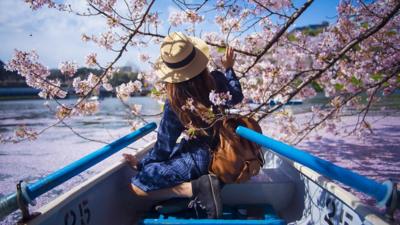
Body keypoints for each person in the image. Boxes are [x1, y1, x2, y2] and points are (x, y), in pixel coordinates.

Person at [123, 32, 243, 219]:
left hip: (199, 161)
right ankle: (197, 197)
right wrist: (229, 69)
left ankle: (196, 189)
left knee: (137, 185)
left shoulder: (176, 102)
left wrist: (141, 165)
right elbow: (236, 96)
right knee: (168, 160)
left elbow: (163, 147)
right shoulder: (218, 79)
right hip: (226, 154)